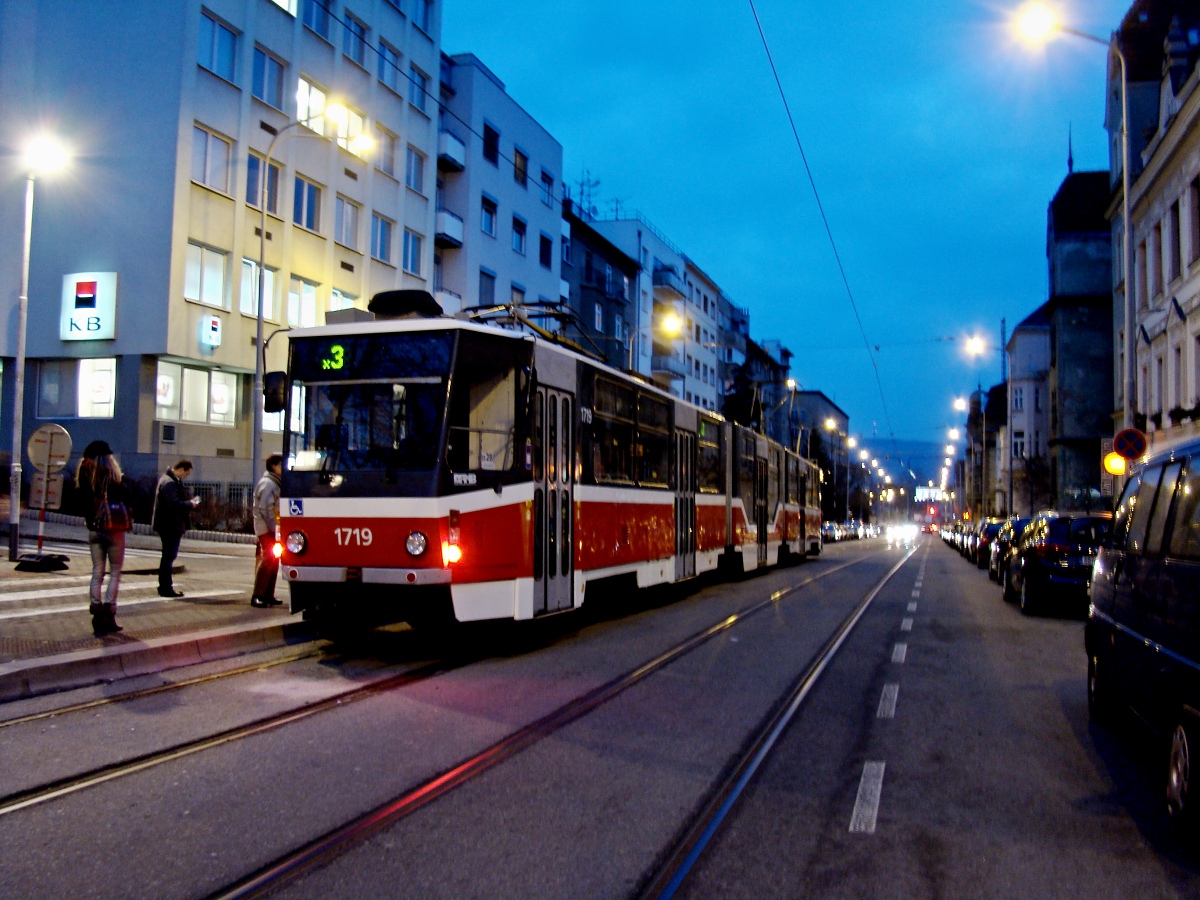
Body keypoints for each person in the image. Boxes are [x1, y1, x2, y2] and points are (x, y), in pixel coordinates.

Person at [76, 441, 127, 636]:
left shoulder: (83, 474)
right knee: (115, 572)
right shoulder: (112, 476)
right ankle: (109, 612)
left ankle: (96, 612)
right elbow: (125, 497)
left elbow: (80, 502)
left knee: (97, 571)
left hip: (94, 529)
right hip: (113, 529)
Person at [151, 459, 200, 598]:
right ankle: (166, 587)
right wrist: (190, 504)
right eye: (187, 473)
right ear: (181, 469)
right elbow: (173, 504)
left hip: (169, 524)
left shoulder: (170, 480)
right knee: (168, 556)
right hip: (169, 525)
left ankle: (165, 586)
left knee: (168, 556)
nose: (186, 476)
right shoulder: (170, 483)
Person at [251, 453, 284, 608]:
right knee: (269, 559)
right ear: (274, 466)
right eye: (281, 465)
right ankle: (258, 595)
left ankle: (268, 594)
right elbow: (266, 509)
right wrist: (274, 528)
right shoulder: (268, 484)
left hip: (271, 527)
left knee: (274, 560)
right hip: (266, 528)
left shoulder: (274, 483)